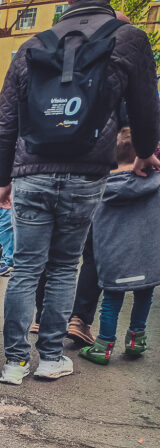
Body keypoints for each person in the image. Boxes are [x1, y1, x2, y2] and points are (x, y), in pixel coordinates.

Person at [0, 0, 160, 384]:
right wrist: (144, 152)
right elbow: (146, 107)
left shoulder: (32, 44)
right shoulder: (129, 38)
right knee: (65, 267)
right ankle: (50, 359)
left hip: (31, 172)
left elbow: (5, 122)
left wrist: (4, 178)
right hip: (85, 174)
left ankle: (14, 363)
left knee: (26, 269)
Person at [79, 127, 159, 363]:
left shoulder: (101, 186)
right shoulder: (155, 183)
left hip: (113, 255)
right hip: (147, 254)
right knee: (144, 295)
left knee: (111, 301)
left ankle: (103, 346)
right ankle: (136, 340)